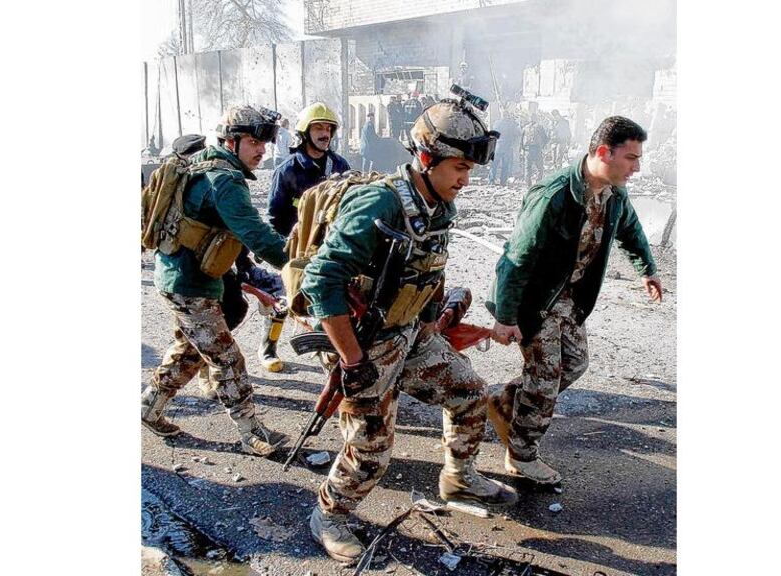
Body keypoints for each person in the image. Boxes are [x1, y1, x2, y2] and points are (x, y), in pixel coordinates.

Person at [302, 96, 518, 565]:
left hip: (410, 333)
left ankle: (459, 476)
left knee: (469, 393)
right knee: (372, 446)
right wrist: (353, 360)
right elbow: (320, 280)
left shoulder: (439, 204)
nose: (465, 179)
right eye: (459, 167)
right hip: (363, 341)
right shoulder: (379, 201)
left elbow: (428, 268)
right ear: (426, 158)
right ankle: (329, 514)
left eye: (469, 169)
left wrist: (431, 324)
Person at [485, 116, 663, 485]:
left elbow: (629, 228)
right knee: (546, 377)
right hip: (534, 301)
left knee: (576, 363)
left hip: (568, 299)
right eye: (631, 158)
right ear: (603, 153)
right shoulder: (553, 196)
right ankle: (521, 454)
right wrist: (505, 316)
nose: (637, 167)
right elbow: (516, 258)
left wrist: (646, 268)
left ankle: (506, 401)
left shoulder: (613, 193)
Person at [140, 104, 290, 458]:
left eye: (264, 143)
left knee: (190, 352)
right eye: (254, 141)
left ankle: (148, 408)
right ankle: (250, 431)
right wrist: (298, 265)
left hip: (186, 278)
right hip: (189, 285)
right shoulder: (224, 180)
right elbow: (255, 233)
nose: (261, 150)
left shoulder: (207, 164)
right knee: (227, 359)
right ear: (232, 140)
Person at [261, 102, 351, 371]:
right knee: (283, 301)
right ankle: (268, 348)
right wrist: (284, 254)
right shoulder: (287, 170)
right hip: (295, 249)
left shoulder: (340, 165)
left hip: (329, 249)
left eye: (328, 128)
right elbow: (274, 216)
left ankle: (329, 352)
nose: (325, 133)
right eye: (318, 128)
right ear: (304, 133)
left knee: (329, 300)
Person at [488, 111, 520, 186]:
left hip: (498, 146)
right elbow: (517, 134)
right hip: (507, 147)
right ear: (508, 115)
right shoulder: (512, 124)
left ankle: (491, 180)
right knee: (505, 165)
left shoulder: (497, 123)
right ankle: (503, 182)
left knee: (494, 164)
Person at [521, 115, 549, 185]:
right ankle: (538, 183)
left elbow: (521, 140)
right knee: (540, 168)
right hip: (537, 149)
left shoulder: (525, 127)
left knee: (527, 168)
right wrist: (542, 146)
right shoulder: (539, 127)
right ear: (536, 119)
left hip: (527, 150)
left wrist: (523, 149)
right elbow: (545, 138)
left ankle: (528, 184)